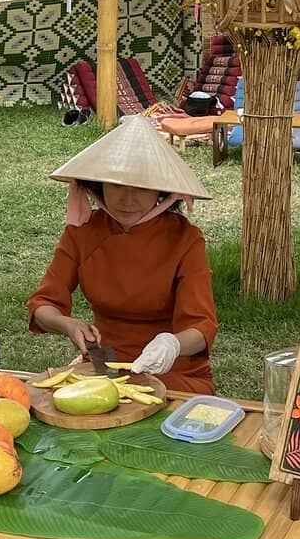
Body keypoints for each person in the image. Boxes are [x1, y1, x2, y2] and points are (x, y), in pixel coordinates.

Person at [27, 114, 218, 394]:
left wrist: (172, 344)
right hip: (104, 366)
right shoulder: (82, 233)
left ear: (162, 190)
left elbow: (201, 327)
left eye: (141, 187)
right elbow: (42, 305)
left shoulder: (185, 239)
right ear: (98, 184)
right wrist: (67, 324)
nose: (128, 200)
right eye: (117, 185)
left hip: (174, 371)